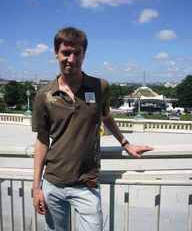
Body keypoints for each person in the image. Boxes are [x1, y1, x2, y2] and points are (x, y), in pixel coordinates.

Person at [32, 27, 154, 231]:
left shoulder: (100, 87)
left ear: (84, 54)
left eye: (77, 53)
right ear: (55, 53)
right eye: (66, 52)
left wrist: (126, 144)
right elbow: (42, 140)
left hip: (86, 185)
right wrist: (37, 187)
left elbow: (106, 117)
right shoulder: (44, 95)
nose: (72, 59)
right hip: (53, 184)